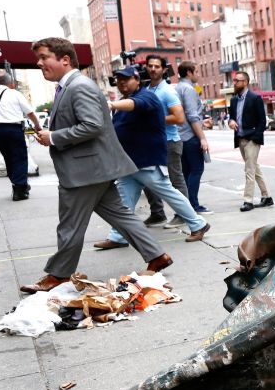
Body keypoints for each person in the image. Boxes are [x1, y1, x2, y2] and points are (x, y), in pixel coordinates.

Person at [21, 37, 171, 293]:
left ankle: (58, 275)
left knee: (69, 225)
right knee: (121, 215)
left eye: (44, 57)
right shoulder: (69, 87)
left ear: (64, 59)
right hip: (93, 168)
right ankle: (157, 256)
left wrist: (54, 137)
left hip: (85, 172)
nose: (39, 63)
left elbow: (92, 126)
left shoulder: (79, 86)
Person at [92, 65, 209, 250]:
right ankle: (118, 236)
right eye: (119, 79)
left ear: (137, 80)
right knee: (124, 201)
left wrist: (111, 104)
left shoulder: (146, 97)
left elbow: (135, 105)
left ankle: (198, 224)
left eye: (126, 79)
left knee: (167, 191)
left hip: (146, 160)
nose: (122, 82)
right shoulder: (126, 101)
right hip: (129, 162)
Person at [141, 55, 187, 226]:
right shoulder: (147, 89)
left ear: (163, 70)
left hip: (169, 141)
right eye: (150, 66)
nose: (153, 69)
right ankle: (157, 213)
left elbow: (179, 118)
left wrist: (155, 119)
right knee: (147, 178)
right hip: (151, 142)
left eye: (157, 66)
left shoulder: (167, 91)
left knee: (176, 179)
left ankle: (183, 215)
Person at [0, 73, 41, 201]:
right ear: (10, 83)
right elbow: (30, 112)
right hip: (14, 129)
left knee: (8, 157)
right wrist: (38, 126)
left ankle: (20, 185)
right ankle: (19, 190)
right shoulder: (15, 93)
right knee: (19, 157)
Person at [229, 72, 272, 211]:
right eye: (234, 80)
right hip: (240, 138)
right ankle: (267, 197)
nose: (234, 83)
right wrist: (231, 121)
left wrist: (256, 137)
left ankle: (248, 201)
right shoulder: (234, 100)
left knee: (249, 169)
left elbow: (262, 121)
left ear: (246, 82)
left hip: (252, 139)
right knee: (254, 168)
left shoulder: (255, 98)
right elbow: (231, 117)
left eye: (237, 81)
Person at [175, 61, 211, 215]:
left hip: (180, 136)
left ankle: (187, 206)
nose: (198, 74)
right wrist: (202, 138)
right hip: (190, 136)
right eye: (196, 71)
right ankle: (193, 205)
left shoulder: (177, 88)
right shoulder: (188, 89)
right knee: (196, 170)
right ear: (189, 72)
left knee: (186, 172)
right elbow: (192, 116)